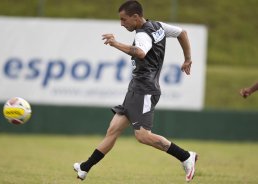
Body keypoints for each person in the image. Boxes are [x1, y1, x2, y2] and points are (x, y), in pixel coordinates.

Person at [74, 0, 198, 182]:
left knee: (142, 136)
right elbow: (182, 33)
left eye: (124, 20)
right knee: (113, 130)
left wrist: (115, 43)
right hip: (136, 89)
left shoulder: (142, 34)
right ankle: (85, 167)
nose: (121, 24)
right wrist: (187, 58)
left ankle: (186, 156)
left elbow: (140, 52)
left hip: (145, 90)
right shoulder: (158, 26)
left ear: (135, 17)